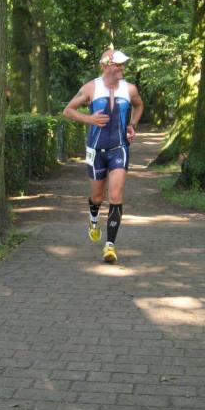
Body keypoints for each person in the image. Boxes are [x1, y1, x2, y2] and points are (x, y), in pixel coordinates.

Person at [63, 49, 144, 263]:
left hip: (119, 148)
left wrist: (133, 125)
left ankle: (110, 245)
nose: (122, 68)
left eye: (123, 64)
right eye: (118, 64)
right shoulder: (91, 88)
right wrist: (89, 119)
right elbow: (68, 110)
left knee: (115, 196)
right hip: (96, 150)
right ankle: (93, 218)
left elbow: (139, 105)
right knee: (97, 196)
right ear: (106, 65)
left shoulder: (130, 89)